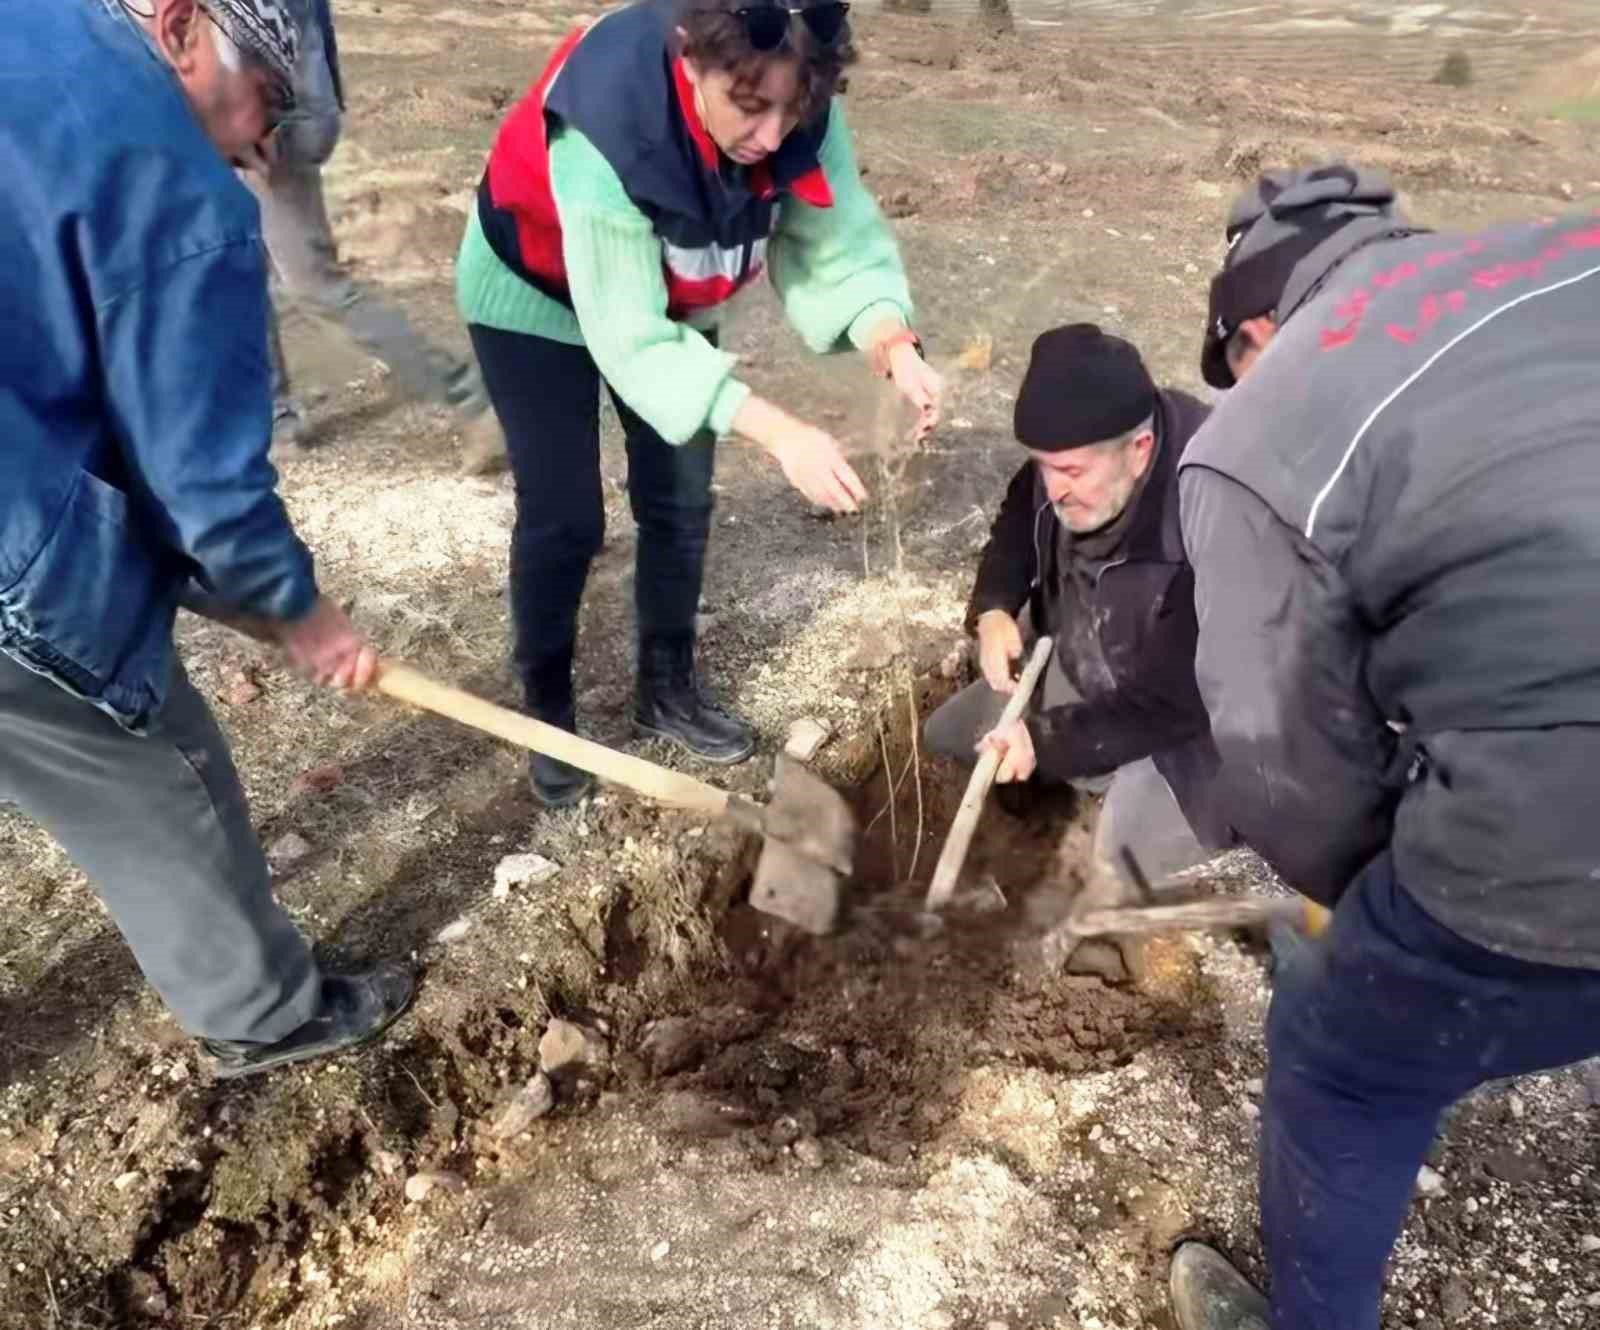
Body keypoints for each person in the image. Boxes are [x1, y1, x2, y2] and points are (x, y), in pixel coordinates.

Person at [1168, 162, 1600, 1330]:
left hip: (1559, 842)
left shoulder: (1259, 428)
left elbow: (1281, 765)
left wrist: (1360, 912)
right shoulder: (1559, 251)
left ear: (1254, 333)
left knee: (1339, 1068)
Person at [1, 0, 415, 1080]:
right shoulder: (173, 181)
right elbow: (203, 484)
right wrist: (296, 610)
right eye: (266, 103)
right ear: (183, 27)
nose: (262, 145)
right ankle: (263, 1012)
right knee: (156, 763)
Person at [456, 0, 943, 807]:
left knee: (679, 498)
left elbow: (834, 244)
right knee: (565, 517)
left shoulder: (795, 107)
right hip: (535, 295)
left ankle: (667, 686)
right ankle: (549, 715)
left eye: (793, 109)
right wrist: (781, 431)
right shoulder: (607, 121)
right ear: (691, 60)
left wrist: (891, 338)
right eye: (750, 107)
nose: (772, 136)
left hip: (671, 294)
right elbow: (630, 337)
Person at [923, 324, 1222, 977]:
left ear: (1140, 451)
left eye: (1070, 472)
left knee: (1116, 873)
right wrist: (994, 606)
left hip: (1191, 734)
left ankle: (1111, 916)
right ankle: (1054, 809)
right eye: (1043, 465)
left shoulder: (1210, 518)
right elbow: (1019, 512)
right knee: (947, 737)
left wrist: (1045, 740)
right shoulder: (1073, 457)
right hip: (1093, 664)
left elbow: (1181, 702)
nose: (1052, 487)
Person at [254, 0, 504, 469]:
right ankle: (274, 415)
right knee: (239, 268)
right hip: (270, 108)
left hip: (262, 119)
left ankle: (470, 397)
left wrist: (264, 116)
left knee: (315, 286)